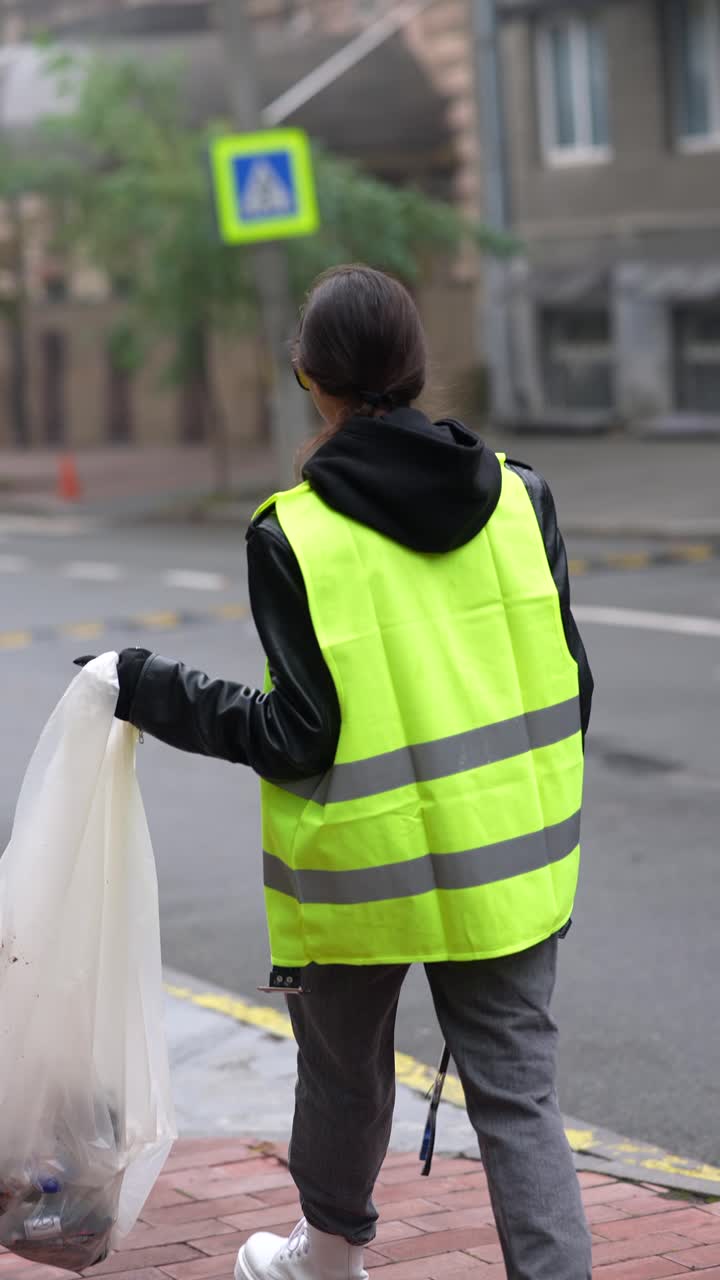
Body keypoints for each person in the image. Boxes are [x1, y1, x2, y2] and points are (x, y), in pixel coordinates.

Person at [84, 264, 594, 1280]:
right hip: (510, 862)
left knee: (346, 1075)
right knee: (519, 1094)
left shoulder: (295, 531)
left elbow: (296, 734)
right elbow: (571, 684)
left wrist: (149, 684)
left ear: (311, 376)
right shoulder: (522, 497)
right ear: (414, 366)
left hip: (360, 874)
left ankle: (325, 1257)